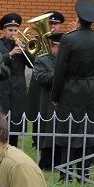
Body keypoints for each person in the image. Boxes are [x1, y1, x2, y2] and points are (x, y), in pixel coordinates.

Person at [51, 0, 94, 176]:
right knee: (88, 129)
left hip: (71, 87)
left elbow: (60, 70)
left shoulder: (68, 39)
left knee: (68, 129)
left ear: (78, 18)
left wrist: (55, 96)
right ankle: (84, 171)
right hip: (91, 88)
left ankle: (65, 172)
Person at [0, 13, 32, 146]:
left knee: (16, 117)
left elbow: (32, 64)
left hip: (18, 85)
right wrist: (10, 54)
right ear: (4, 30)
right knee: (2, 115)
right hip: (3, 84)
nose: (13, 33)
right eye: (10, 30)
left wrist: (25, 50)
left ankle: (13, 146)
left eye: (15, 30)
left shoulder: (22, 44)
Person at [27, 10, 65, 147]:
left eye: (55, 24)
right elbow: (32, 61)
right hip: (40, 78)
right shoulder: (37, 40)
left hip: (56, 81)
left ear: (60, 26)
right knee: (38, 107)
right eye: (50, 24)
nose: (52, 27)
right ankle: (37, 139)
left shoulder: (64, 40)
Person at [34, 32, 63, 170]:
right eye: (60, 47)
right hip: (48, 100)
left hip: (65, 100)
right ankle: (46, 164)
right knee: (48, 130)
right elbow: (40, 78)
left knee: (62, 131)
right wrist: (60, 74)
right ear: (53, 47)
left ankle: (61, 163)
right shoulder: (42, 60)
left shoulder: (68, 60)